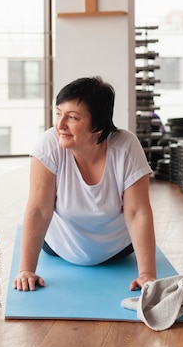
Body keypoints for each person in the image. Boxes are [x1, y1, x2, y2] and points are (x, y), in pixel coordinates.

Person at [13, 76, 157, 292]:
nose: (60, 125)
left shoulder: (126, 146)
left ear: (98, 126)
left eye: (72, 118)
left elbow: (137, 213)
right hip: (60, 246)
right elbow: (39, 211)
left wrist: (147, 275)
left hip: (116, 250)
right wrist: (25, 270)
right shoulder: (49, 144)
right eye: (59, 114)